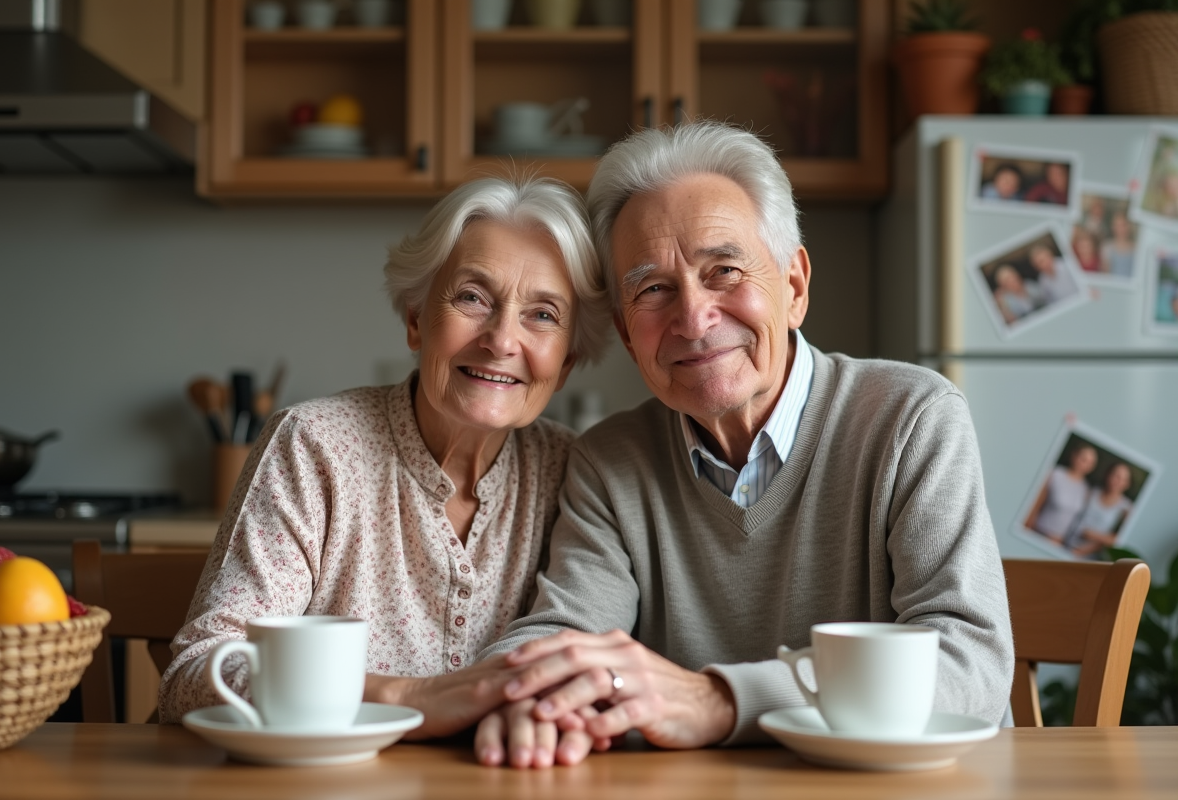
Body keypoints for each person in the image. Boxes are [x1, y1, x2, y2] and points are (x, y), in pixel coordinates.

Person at [470, 121, 1014, 767]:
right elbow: (566, 630)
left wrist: (720, 701)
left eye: (724, 271)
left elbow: (967, 664)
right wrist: (526, 693)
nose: (694, 318)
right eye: (653, 290)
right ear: (623, 330)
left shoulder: (911, 418)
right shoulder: (610, 461)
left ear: (794, 286)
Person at [158, 175, 611, 762]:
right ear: (417, 319)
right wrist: (409, 697)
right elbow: (194, 676)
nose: (502, 340)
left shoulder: (578, 473)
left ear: (569, 358)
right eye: (473, 297)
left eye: (543, 315)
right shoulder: (314, 445)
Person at [1024, 444, 1097, 544]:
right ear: (1074, 456)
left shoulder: (1085, 489)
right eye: (1083, 459)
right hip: (1038, 532)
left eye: (1090, 463)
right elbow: (1035, 503)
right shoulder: (1056, 474)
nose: (1085, 465)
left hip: (1059, 542)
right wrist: (1026, 529)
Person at [1063, 462, 1134, 559]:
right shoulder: (1091, 492)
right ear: (1108, 475)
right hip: (1066, 546)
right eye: (1115, 475)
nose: (1117, 481)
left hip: (1091, 557)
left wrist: (1092, 536)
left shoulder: (1126, 508)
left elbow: (1120, 539)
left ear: (1127, 484)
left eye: (1122, 479)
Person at [1099, 210, 1136, 278]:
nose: (1121, 229)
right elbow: (1105, 274)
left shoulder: (1136, 248)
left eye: (1123, 225)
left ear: (1129, 226)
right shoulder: (1107, 246)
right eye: (1117, 225)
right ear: (1113, 227)